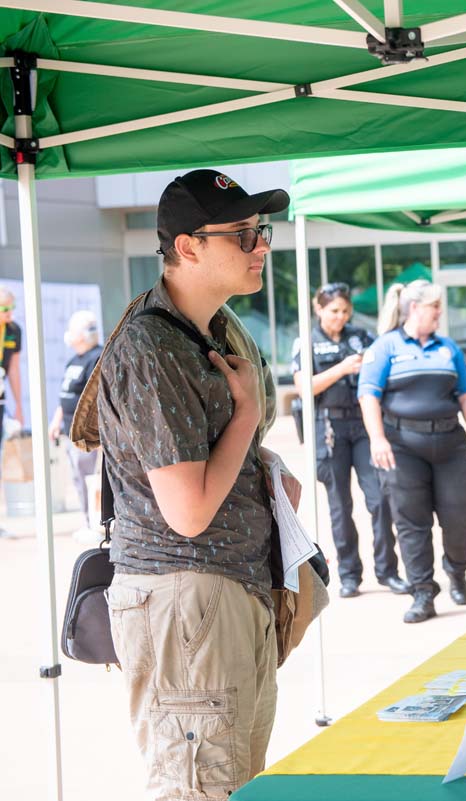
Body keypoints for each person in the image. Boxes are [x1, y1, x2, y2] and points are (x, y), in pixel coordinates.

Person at [97, 169, 295, 800]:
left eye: (261, 231)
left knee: (235, 783)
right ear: (187, 247)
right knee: (204, 790)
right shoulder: (153, 347)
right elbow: (187, 511)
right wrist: (245, 415)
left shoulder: (211, 332)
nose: (262, 245)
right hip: (189, 597)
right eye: (243, 234)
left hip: (220, 595)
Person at [358, 280, 466, 624]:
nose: (440, 315)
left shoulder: (449, 349)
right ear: (415, 308)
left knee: (461, 517)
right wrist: (377, 439)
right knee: (412, 523)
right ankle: (423, 592)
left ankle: (457, 571)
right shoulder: (385, 347)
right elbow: (368, 395)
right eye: (435, 309)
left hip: (450, 444)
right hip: (403, 447)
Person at [292, 283, 406, 599]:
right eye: (333, 311)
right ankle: (349, 574)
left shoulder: (361, 337)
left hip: (363, 424)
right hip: (329, 427)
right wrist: (342, 368)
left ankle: (388, 571)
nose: (340, 317)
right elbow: (304, 387)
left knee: (380, 498)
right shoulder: (307, 340)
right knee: (340, 505)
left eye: (345, 311)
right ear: (319, 309)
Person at [49, 310, 103, 543]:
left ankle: (97, 522)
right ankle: (87, 520)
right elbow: (66, 395)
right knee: (79, 476)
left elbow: (96, 396)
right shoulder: (73, 360)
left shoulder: (97, 357)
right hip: (70, 429)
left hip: (89, 433)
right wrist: (56, 420)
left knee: (93, 477)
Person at [0, 286, 21, 538]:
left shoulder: (14, 331)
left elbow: (14, 369)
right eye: (4, 309)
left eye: (11, 308)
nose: (9, 314)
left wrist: (19, 406)